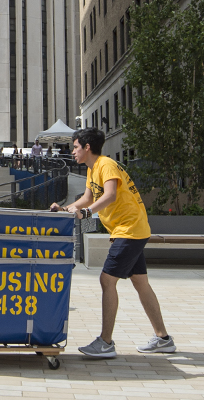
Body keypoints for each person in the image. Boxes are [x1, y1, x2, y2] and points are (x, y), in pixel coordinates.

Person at [50, 128, 175, 358]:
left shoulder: (106, 164)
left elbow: (110, 196)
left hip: (129, 229)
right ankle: (163, 338)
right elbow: (87, 198)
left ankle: (106, 343)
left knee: (107, 280)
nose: (73, 152)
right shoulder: (92, 169)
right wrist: (66, 209)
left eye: (75, 147)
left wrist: (86, 214)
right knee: (140, 283)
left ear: (87, 147)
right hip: (131, 229)